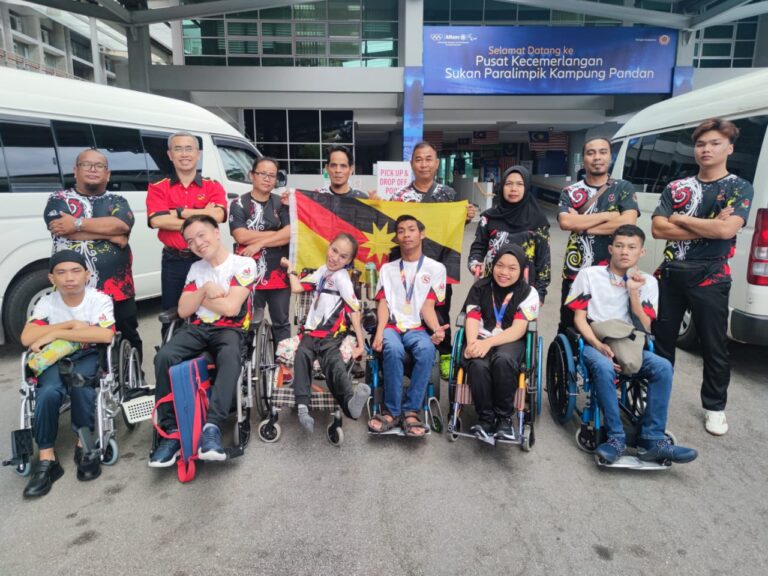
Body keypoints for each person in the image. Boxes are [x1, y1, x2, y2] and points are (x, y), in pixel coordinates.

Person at [651, 118, 753, 436]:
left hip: (712, 276)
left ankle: (714, 407)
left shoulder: (739, 187)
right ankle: (656, 399)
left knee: (714, 345)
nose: (706, 149)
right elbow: (658, 229)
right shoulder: (676, 187)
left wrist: (679, 218)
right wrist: (707, 224)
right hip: (671, 274)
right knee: (661, 342)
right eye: (700, 144)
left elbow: (726, 230)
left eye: (714, 143)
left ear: (729, 148)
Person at [566, 225, 698, 465]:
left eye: (631, 247)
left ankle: (653, 439)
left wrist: (633, 292)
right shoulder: (589, 275)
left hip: (630, 343)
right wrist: (597, 345)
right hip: (596, 340)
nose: (624, 251)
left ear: (641, 252)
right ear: (610, 249)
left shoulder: (648, 281)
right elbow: (579, 319)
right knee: (604, 367)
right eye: (619, 246)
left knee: (663, 367)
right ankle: (616, 437)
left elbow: (646, 325)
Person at [149, 215, 255, 467]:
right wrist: (205, 289)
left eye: (201, 235)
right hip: (197, 328)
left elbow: (231, 308)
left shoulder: (243, 264)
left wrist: (197, 299)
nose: (197, 243)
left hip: (230, 329)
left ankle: (212, 427)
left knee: (229, 356)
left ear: (216, 232)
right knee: (164, 356)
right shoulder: (196, 269)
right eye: (190, 241)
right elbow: (183, 310)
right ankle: (171, 431)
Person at [20, 250, 116, 498]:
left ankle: (84, 444)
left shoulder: (99, 299)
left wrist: (53, 333)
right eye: (61, 273)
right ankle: (47, 458)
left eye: (75, 271)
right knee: (47, 392)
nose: (69, 278)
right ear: (52, 278)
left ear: (87, 274)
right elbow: (27, 338)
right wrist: (70, 326)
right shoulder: (47, 302)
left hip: (88, 354)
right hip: (55, 357)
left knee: (80, 385)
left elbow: (104, 335)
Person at [44, 148, 142, 364]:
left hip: (118, 288)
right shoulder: (58, 198)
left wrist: (76, 224)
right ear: (75, 170)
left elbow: (122, 225)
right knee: (78, 340)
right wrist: (111, 235)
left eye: (99, 166)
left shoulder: (117, 199)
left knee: (128, 336)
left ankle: (135, 378)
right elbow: (60, 228)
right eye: (86, 164)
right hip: (73, 290)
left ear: (108, 174)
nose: (93, 169)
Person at [390, 141, 475, 368]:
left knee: (440, 309)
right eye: (419, 159)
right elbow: (393, 229)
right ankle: (408, 350)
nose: (424, 164)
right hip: (407, 264)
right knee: (406, 306)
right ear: (411, 164)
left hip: (439, 263)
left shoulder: (448, 194)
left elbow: (453, 229)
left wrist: (465, 217)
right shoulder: (400, 197)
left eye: (429, 159)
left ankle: (445, 353)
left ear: (437, 163)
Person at [281, 233, 371, 432]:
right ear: (329, 246)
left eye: (343, 256)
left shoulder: (342, 279)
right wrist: (291, 269)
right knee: (302, 354)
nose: (335, 258)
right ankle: (303, 406)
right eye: (334, 250)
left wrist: (361, 344)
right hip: (311, 333)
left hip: (331, 336)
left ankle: (351, 404)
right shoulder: (322, 271)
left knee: (334, 363)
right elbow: (296, 287)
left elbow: (354, 310)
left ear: (349, 261)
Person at [367, 215, 447, 437]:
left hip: (417, 328)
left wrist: (437, 329)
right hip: (392, 327)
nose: (406, 234)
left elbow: (428, 306)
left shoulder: (436, 268)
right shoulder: (387, 269)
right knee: (392, 349)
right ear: (396, 237)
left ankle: (411, 411)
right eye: (401, 231)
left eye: (411, 229)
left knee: (427, 349)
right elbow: (383, 303)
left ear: (422, 234)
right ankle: (391, 412)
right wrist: (379, 332)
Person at [557, 136, 639, 333]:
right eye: (591, 153)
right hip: (576, 271)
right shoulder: (570, 191)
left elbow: (628, 222)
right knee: (569, 327)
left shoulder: (623, 188)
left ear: (610, 156)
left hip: (614, 272)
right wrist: (609, 216)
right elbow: (566, 222)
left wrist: (583, 226)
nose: (597, 157)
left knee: (609, 327)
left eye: (603, 152)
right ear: (583, 158)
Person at [463, 245, 540, 440]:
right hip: (481, 337)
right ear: (493, 265)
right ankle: (486, 419)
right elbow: (472, 317)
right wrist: (472, 343)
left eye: (512, 268)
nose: (504, 272)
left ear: (521, 269)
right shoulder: (480, 287)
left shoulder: (528, 293)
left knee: (503, 360)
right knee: (477, 364)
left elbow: (518, 329)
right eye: (500, 265)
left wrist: (488, 343)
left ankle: (504, 419)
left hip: (510, 338)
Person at [146, 132, 227, 318]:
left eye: (189, 149)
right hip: (175, 261)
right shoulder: (158, 186)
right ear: (170, 155)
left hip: (207, 259)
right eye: (178, 149)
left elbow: (219, 215)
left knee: (211, 311)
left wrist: (180, 212)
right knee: (172, 313)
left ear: (198, 154)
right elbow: (158, 221)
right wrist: (203, 215)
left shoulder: (212, 186)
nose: (184, 154)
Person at [229, 157, 291, 351]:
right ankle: (244, 359)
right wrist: (276, 235)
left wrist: (259, 243)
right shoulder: (239, 203)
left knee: (281, 322)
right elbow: (240, 235)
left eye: (272, 175)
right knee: (247, 321)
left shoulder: (281, 203)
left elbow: (290, 234)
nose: (267, 179)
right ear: (252, 175)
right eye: (262, 173)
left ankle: (284, 362)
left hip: (278, 274)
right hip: (248, 275)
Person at [468, 165, 551, 303]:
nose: (513, 189)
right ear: (502, 186)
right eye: (508, 184)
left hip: (525, 291)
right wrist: (475, 264)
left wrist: (540, 294)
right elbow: (478, 247)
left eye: (519, 184)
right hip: (490, 288)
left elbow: (543, 262)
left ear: (527, 187)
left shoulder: (538, 221)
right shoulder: (488, 218)